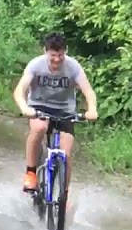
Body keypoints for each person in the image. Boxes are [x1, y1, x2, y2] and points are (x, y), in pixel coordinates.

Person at [12, 32, 98, 195]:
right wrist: (25, 108)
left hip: (65, 111)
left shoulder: (73, 67)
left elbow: (88, 91)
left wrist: (92, 109)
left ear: (65, 52)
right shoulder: (36, 65)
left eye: (60, 55)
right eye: (53, 55)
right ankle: (31, 173)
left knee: (66, 153)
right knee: (39, 129)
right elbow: (20, 90)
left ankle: (64, 194)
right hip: (39, 107)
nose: (57, 60)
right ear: (45, 51)